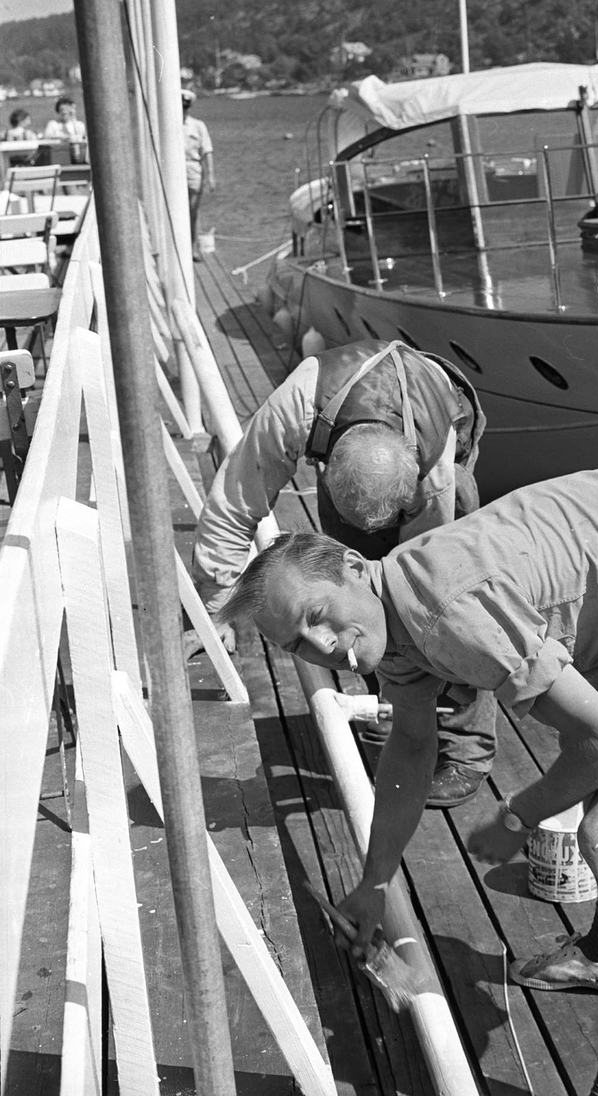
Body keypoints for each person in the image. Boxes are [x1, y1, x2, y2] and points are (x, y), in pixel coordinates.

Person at [216, 467, 598, 1096]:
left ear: (354, 567)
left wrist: (518, 815)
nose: (323, 645)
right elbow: (410, 746)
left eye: (318, 615)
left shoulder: (443, 610)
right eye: (299, 645)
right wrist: (374, 883)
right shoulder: (391, 622)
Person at [191, 337, 495, 807]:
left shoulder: (432, 474)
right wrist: (217, 606)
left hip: (440, 436)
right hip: (353, 446)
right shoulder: (298, 406)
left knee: (446, 606)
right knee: (354, 602)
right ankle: (396, 711)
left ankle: (465, 748)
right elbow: (236, 499)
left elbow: (433, 587)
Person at [181, 88, 215, 255]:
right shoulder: (170, 125)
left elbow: (207, 151)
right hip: (175, 171)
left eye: (185, 107)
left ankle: (193, 247)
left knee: (192, 210)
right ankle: (182, 246)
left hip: (193, 169)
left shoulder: (197, 125)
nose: (183, 110)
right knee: (179, 209)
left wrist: (211, 176)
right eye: (181, 106)